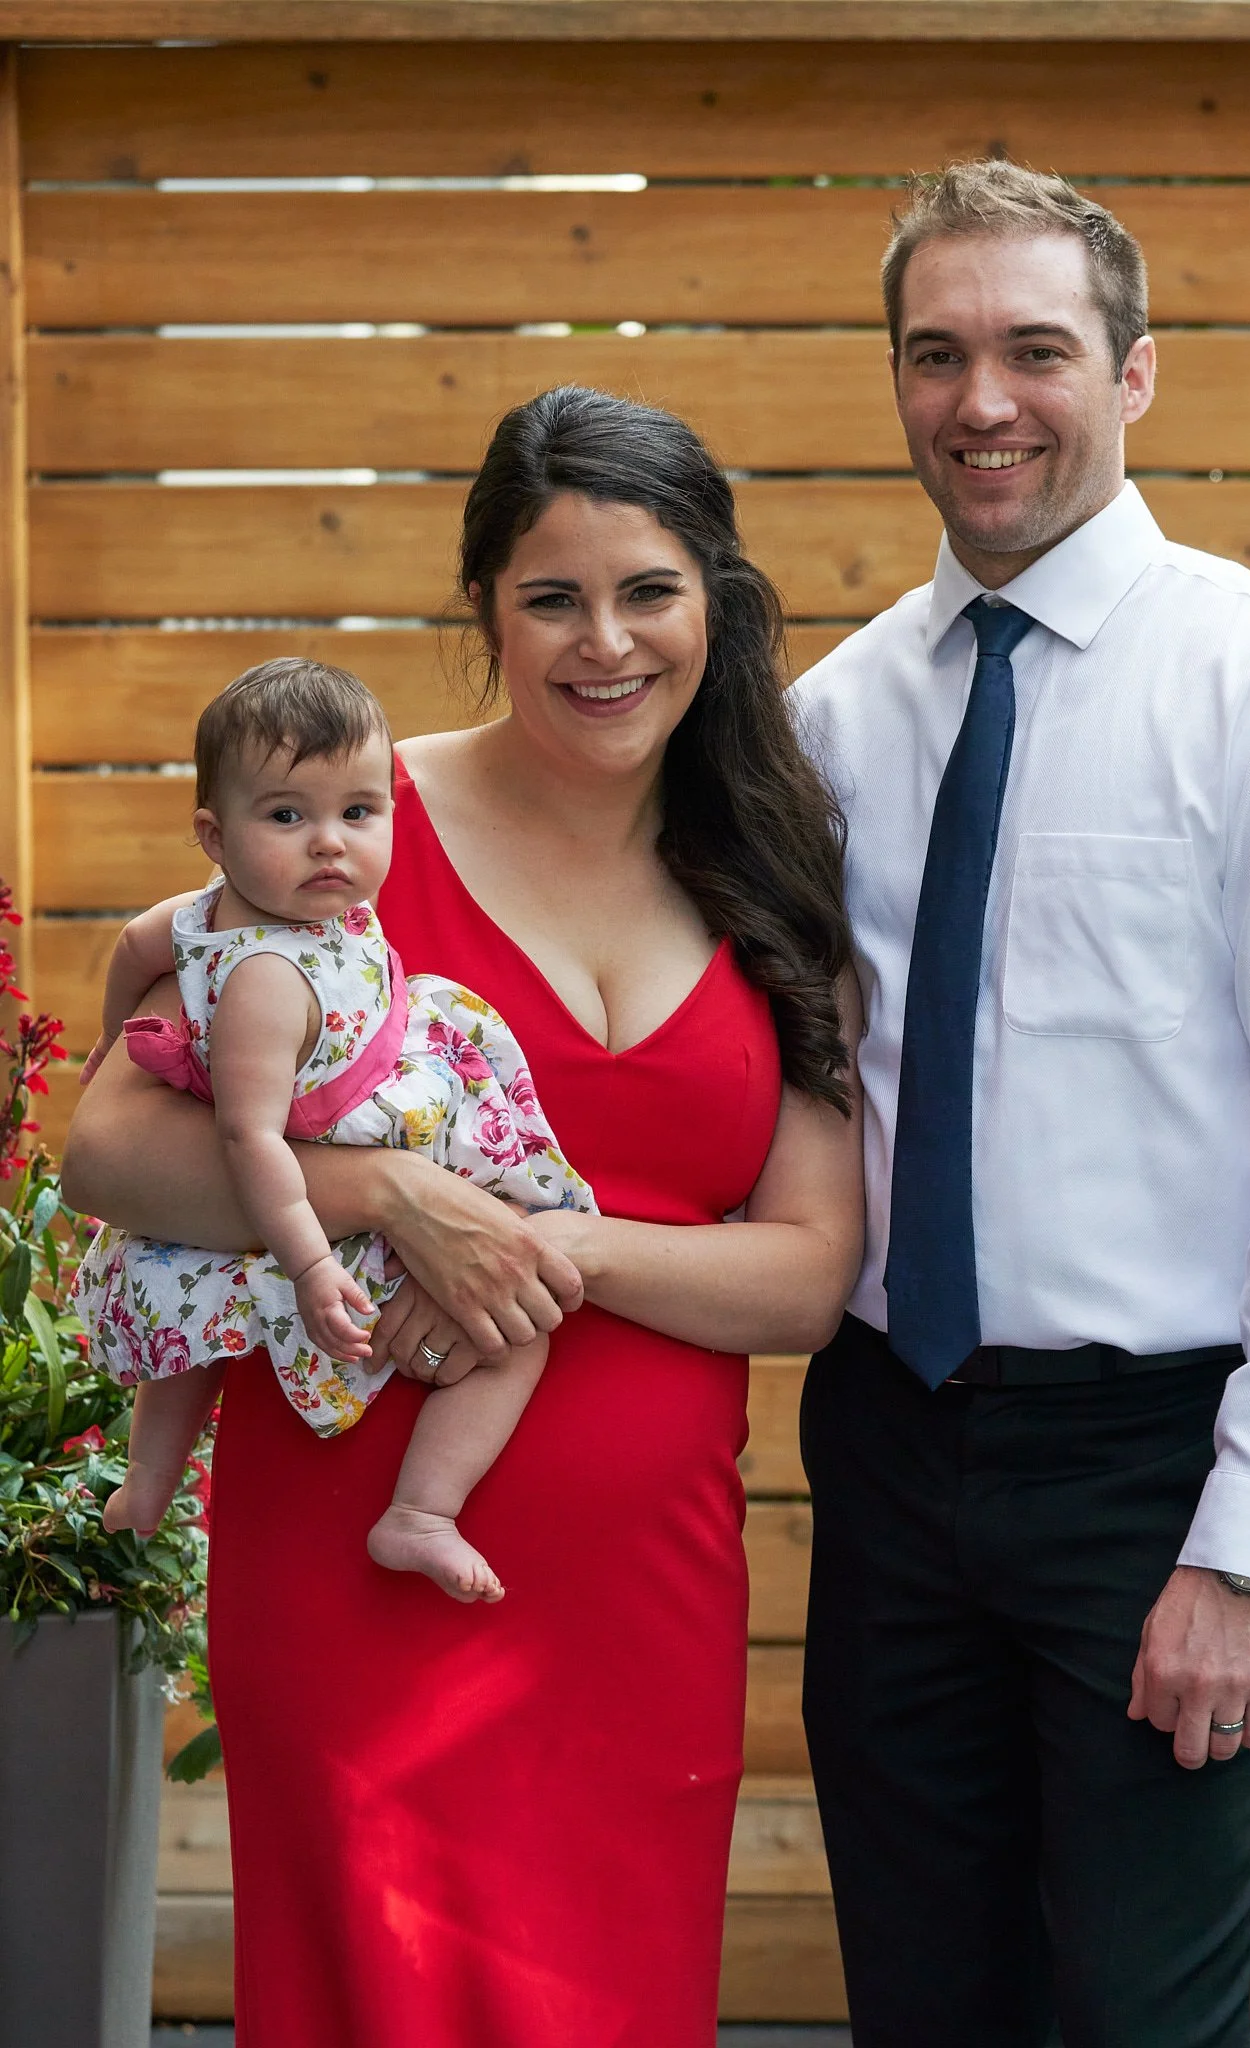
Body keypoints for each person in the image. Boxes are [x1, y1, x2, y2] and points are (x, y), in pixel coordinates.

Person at [63, 386, 863, 2048]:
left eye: (647, 589)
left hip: (642, 1599)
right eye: (549, 596)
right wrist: (386, 1192)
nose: (604, 641)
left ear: (710, 593)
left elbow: (802, 1275)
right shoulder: (348, 828)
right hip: (355, 1568)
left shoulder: (766, 861)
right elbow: (109, 1144)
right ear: (484, 611)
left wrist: (543, 1244)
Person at [788, 159, 1250, 2048]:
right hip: (894, 1448)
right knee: (921, 2005)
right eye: (934, 353)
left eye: (1032, 349)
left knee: (1135, 2020)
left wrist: (1248, 1548)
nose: (979, 398)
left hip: (1157, 1468)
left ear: (1133, 374)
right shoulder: (831, 723)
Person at [74, 658, 595, 1604]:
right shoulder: (270, 979)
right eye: (287, 817)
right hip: (307, 1206)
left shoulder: (206, 915)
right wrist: (315, 1268)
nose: (329, 846)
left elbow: (134, 947)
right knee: (516, 1332)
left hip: (320, 1154)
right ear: (214, 834)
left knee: (209, 1335)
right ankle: (422, 1513)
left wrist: (114, 1035)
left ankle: (147, 1484)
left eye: (358, 813)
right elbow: (253, 1143)